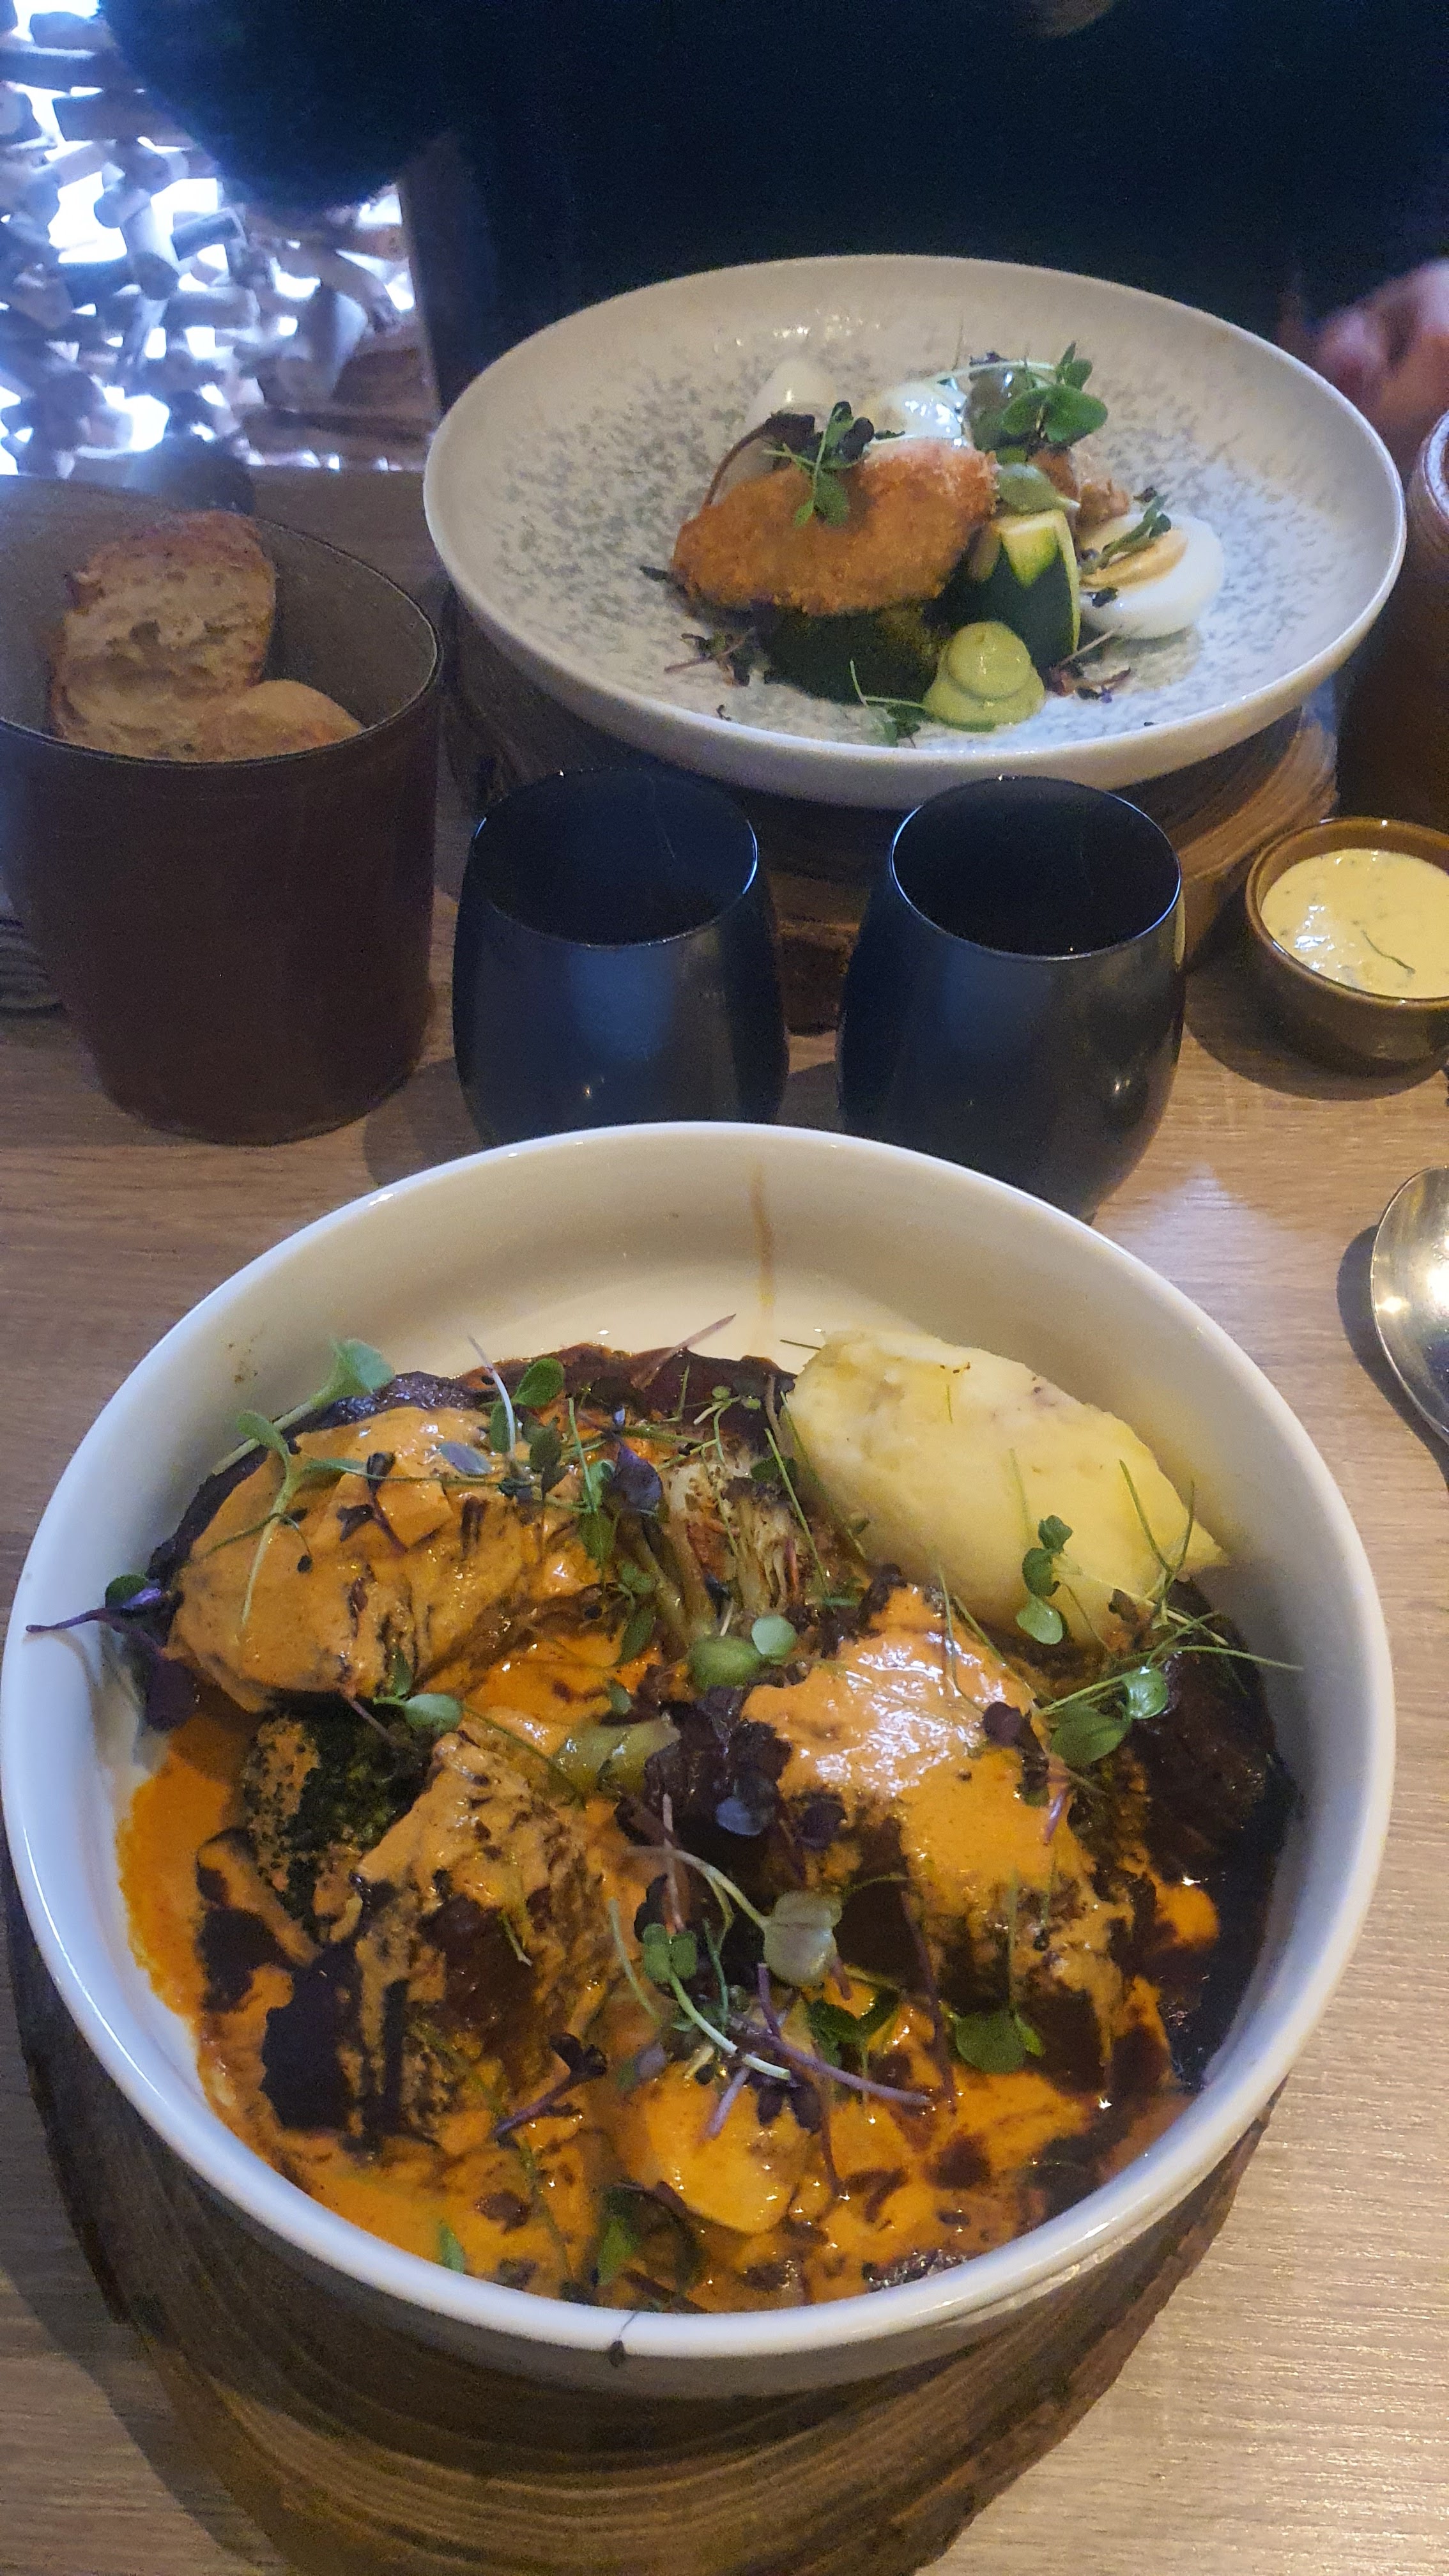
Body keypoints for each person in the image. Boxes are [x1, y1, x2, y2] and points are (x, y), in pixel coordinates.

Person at [104, 0, 1449, 466]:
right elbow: (307, 113)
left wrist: (1417, 275)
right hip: (612, 570)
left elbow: (1398, 132)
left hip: (1176, 582)